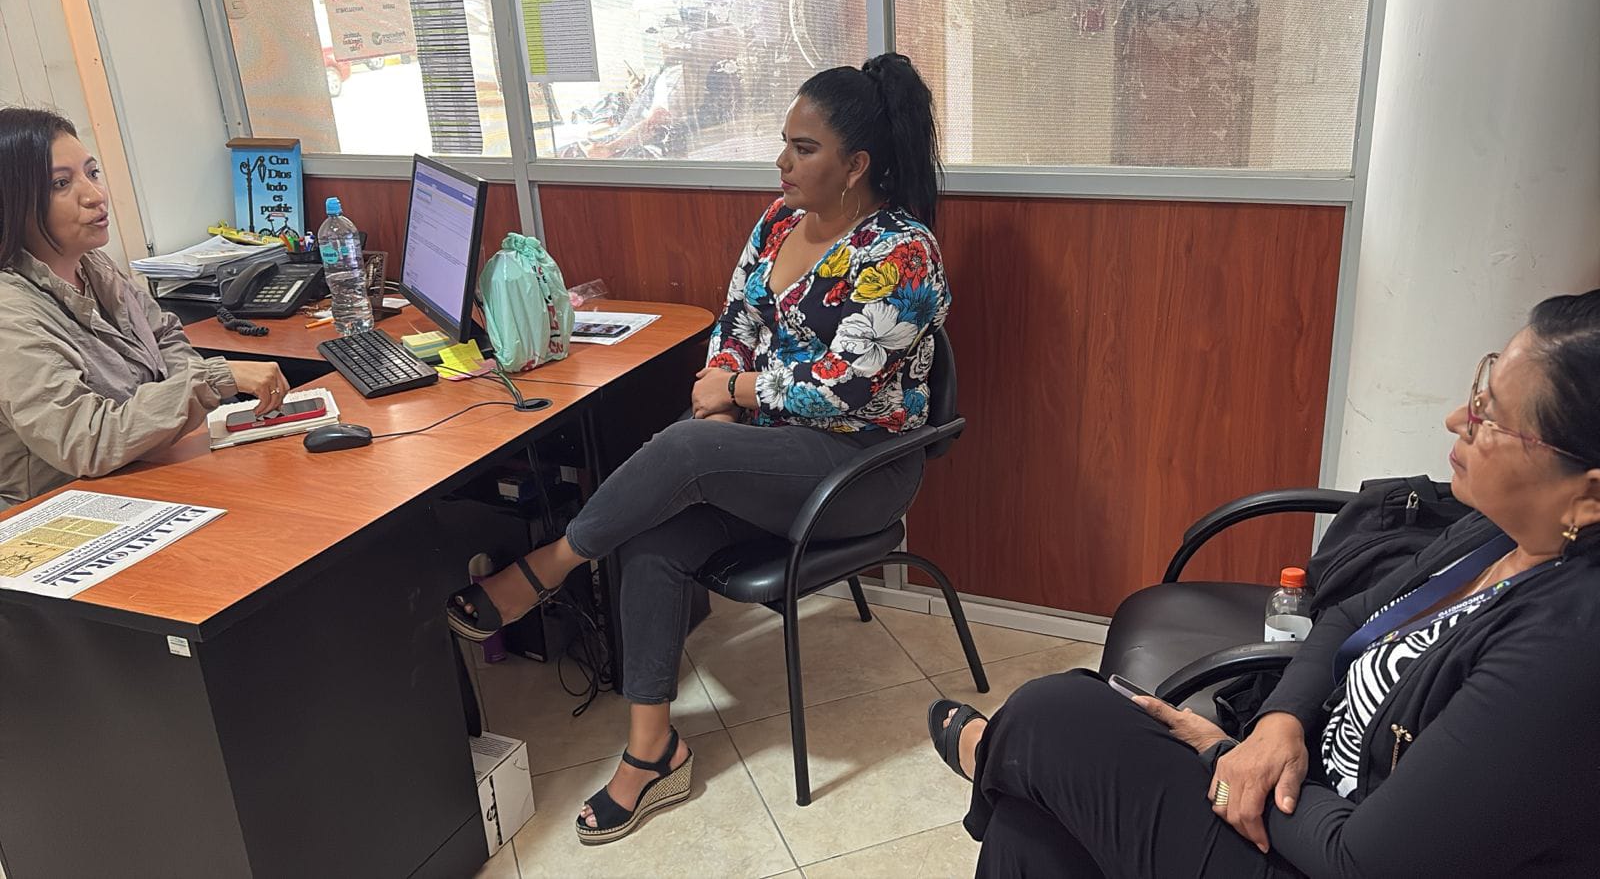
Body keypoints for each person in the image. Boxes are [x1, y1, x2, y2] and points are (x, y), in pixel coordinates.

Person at [445, 53, 948, 844]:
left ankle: (546, 568)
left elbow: (844, 389)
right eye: (784, 143)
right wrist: (721, 378)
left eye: (804, 149)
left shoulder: (902, 253)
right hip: (766, 450)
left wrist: (736, 395)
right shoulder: (779, 222)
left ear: (856, 166)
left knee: (683, 454)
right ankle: (653, 752)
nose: (782, 163)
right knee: (653, 533)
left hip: (859, 467)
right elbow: (736, 318)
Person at [929, 289, 1600, 877]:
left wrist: (1221, 754)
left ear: (1588, 495)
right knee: (1028, 829)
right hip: (1301, 801)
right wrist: (1278, 724)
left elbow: (1366, 862)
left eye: (1491, 419)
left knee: (1053, 717)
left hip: (1323, 855)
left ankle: (991, 753)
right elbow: (1347, 618)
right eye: (1480, 391)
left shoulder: (1566, 651)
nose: (1457, 419)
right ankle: (1002, 766)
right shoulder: (1501, 533)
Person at [0, 107, 287, 508]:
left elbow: (163, 335)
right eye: (61, 184)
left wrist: (186, 396)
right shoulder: (11, 315)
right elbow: (87, 441)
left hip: (146, 470)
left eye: (92, 173)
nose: (95, 195)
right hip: (64, 507)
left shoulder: (92, 264)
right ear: (12, 203)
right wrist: (209, 382)